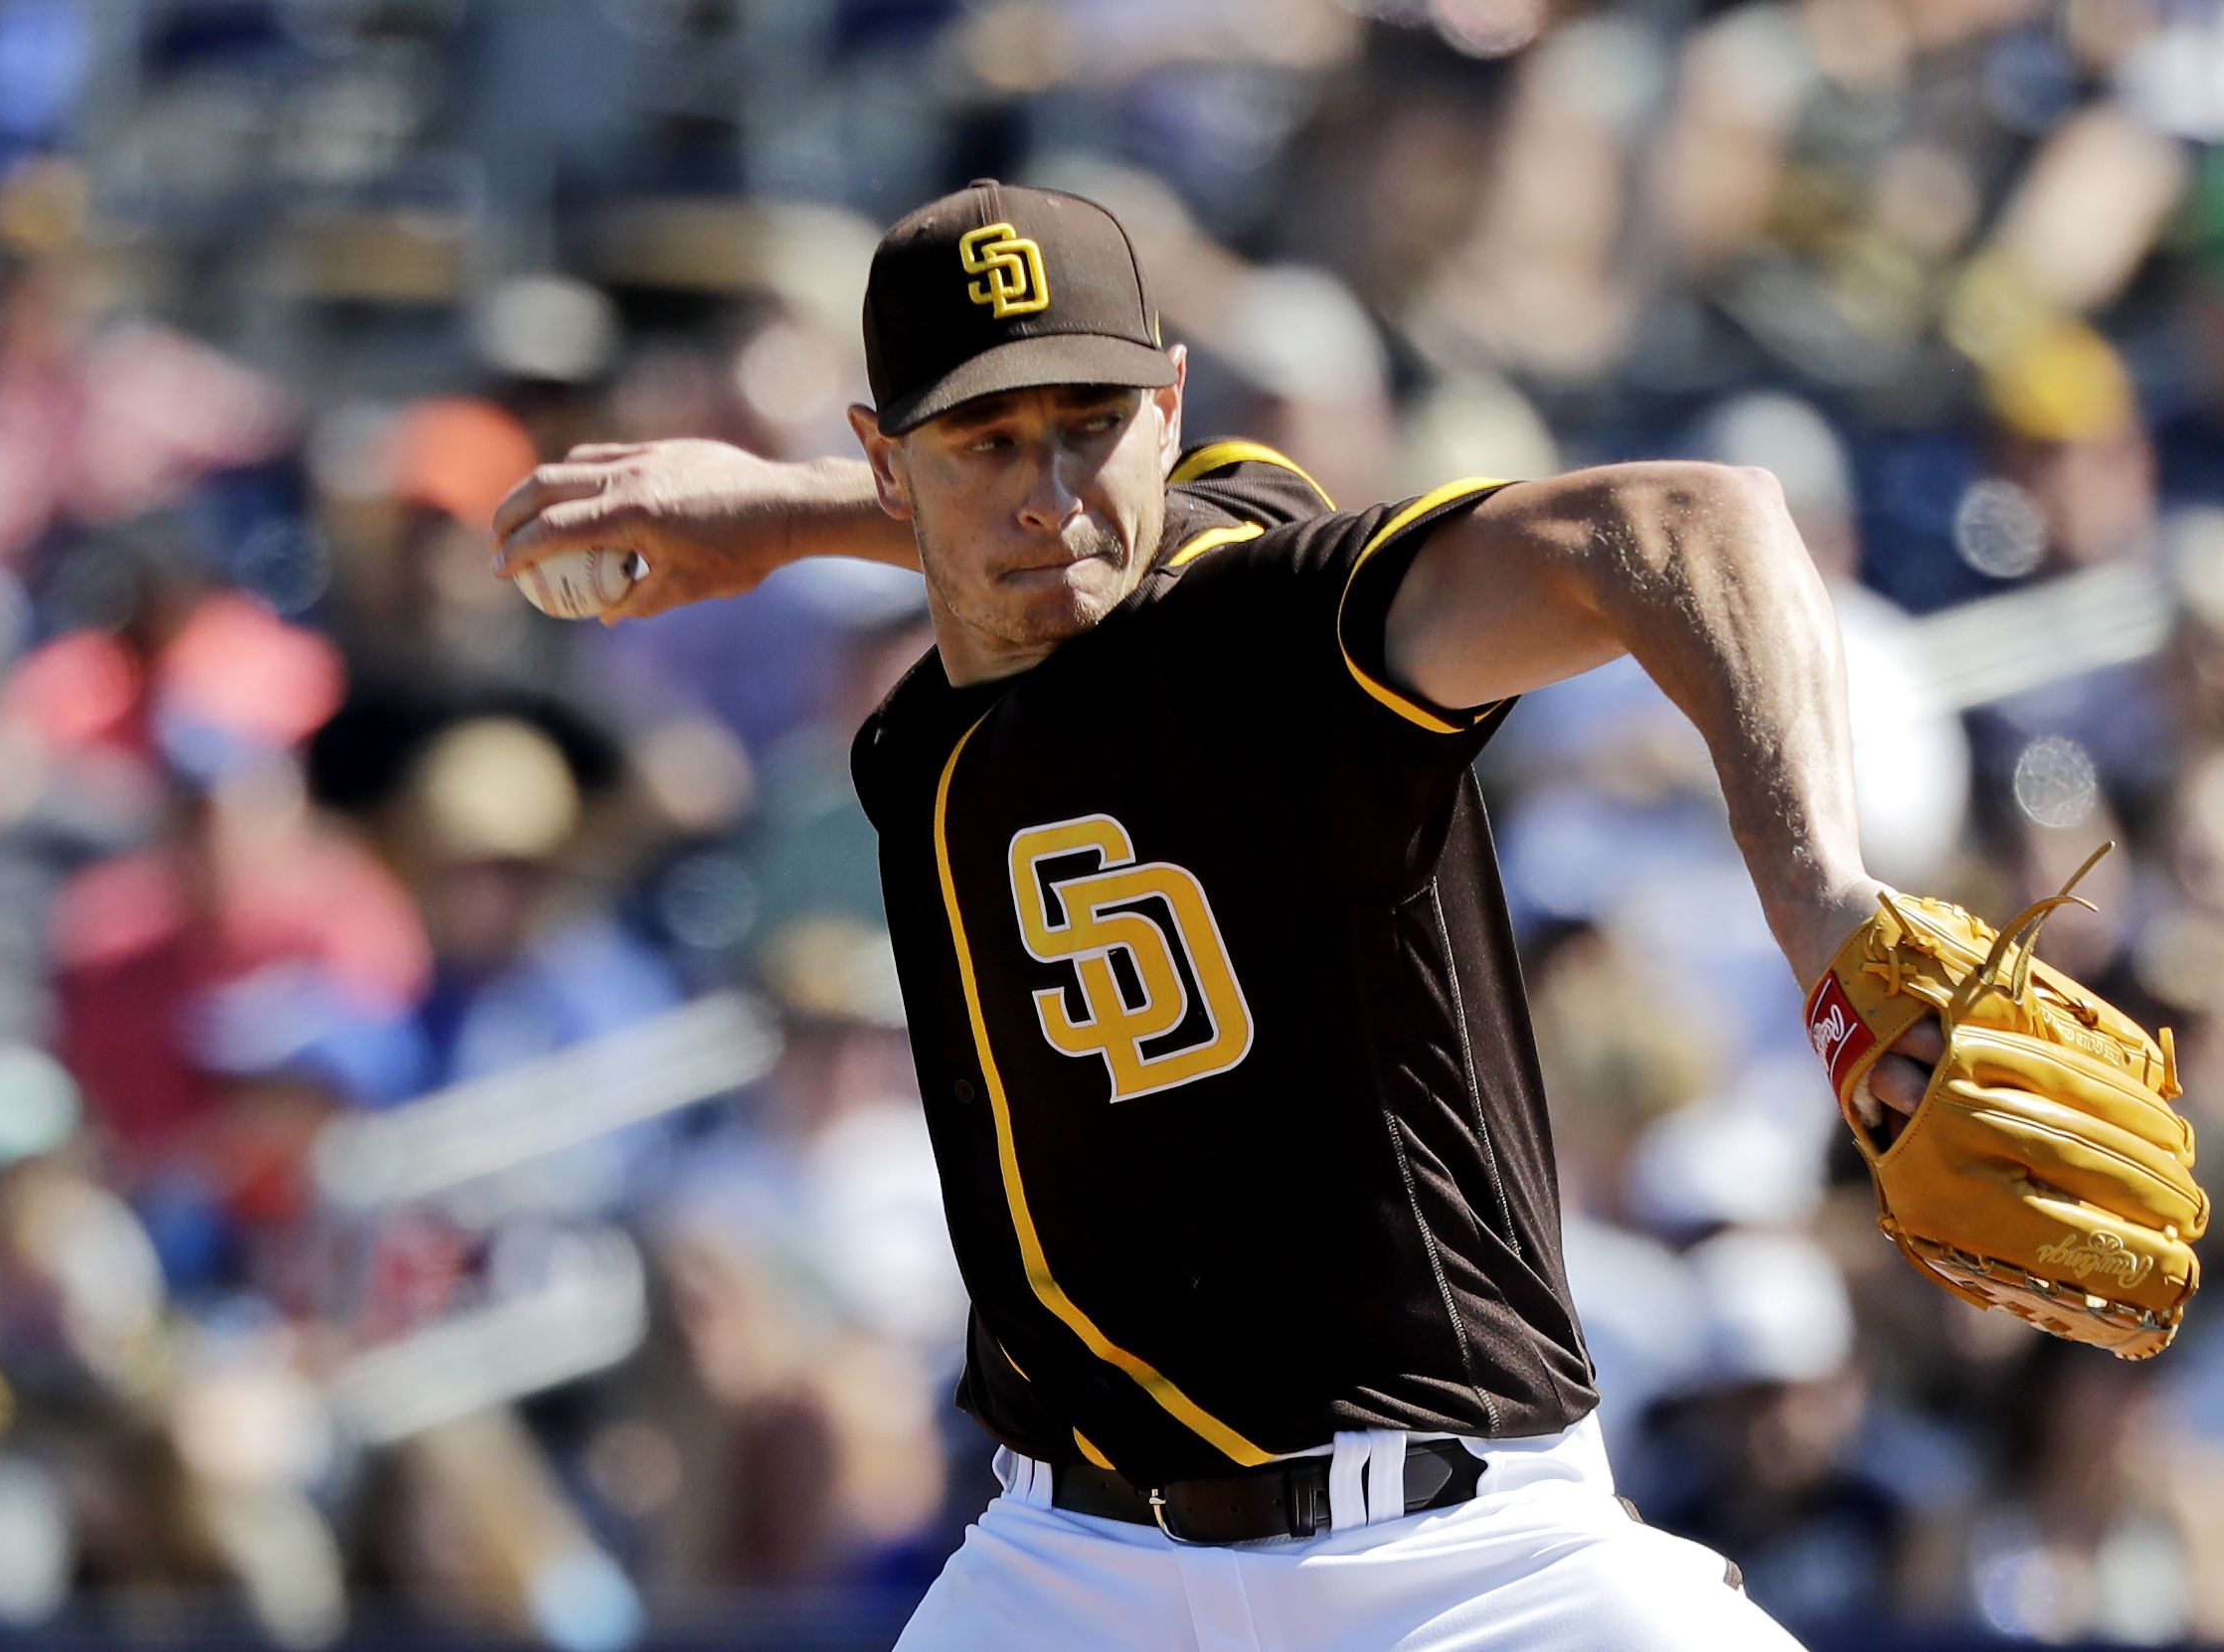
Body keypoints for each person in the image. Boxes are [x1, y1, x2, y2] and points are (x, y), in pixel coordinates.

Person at [493, 180, 1939, 1651]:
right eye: (985, 441)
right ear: (886, 459)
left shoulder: (1282, 629)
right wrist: (777, 516)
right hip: (1068, 1564)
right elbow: (1020, 561)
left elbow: (1691, 517)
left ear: (1170, 406)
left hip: (1462, 1557)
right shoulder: (919, 744)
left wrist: (1826, 908)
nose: (1051, 491)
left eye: (1090, 425)